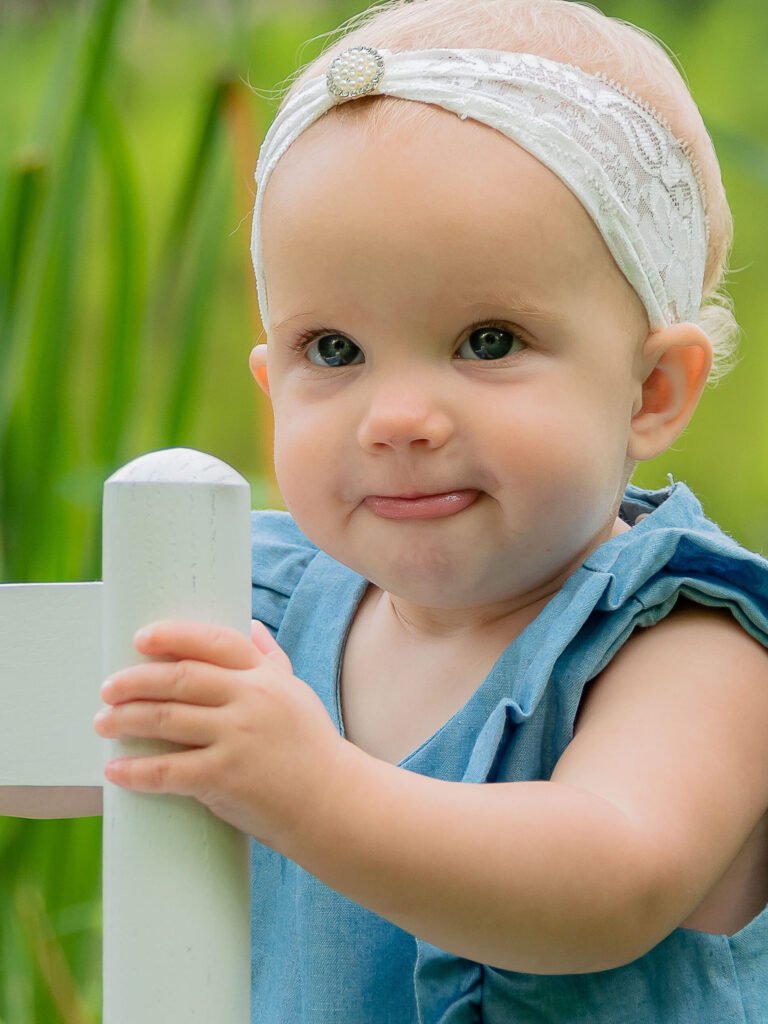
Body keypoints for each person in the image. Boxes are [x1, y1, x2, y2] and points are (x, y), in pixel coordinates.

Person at [93, 1, 768, 1020]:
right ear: (271, 383)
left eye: (487, 340)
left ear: (653, 390)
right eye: (334, 350)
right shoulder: (258, 611)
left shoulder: (689, 643)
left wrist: (313, 790)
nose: (397, 417)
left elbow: (614, 880)